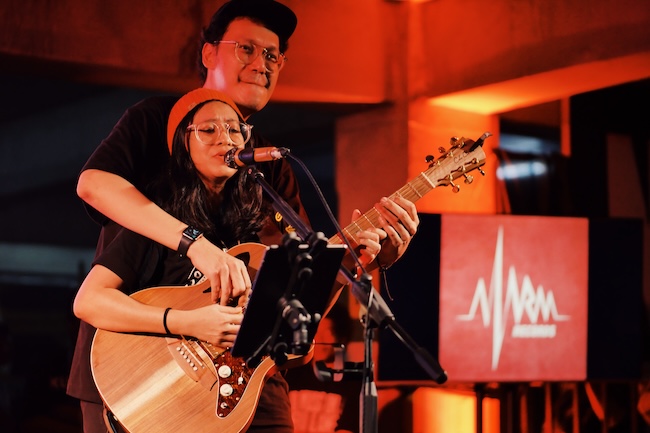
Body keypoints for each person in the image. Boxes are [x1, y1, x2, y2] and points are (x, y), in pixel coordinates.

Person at [68, 0, 420, 431]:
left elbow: (297, 295)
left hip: (245, 380)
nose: (262, 64)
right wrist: (196, 246)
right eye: (246, 49)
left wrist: (359, 261)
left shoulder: (269, 166)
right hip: (138, 371)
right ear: (208, 53)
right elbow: (93, 185)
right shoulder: (156, 120)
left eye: (273, 55)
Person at [284, 302, 361, 433]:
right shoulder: (290, 373)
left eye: (328, 332)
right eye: (316, 331)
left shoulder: (352, 382)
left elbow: (348, 428)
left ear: (341, 337)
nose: (320, 338)